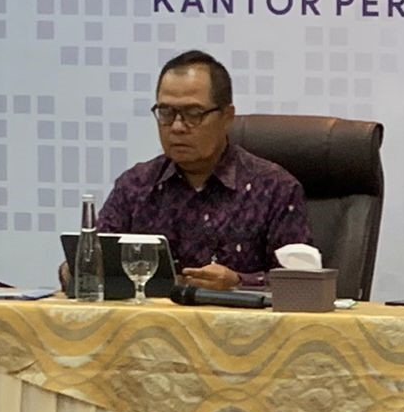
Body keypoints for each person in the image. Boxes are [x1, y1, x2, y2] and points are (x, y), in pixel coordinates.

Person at [91, 49, 312, 290]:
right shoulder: (136, 185)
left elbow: (303, 285)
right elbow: (93, 259)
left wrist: (239, 282)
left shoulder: (274, 188)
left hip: (236, 314)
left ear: (227, 117)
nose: (177, 127)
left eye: (193, 114)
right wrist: (78, 268)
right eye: (166, 113)